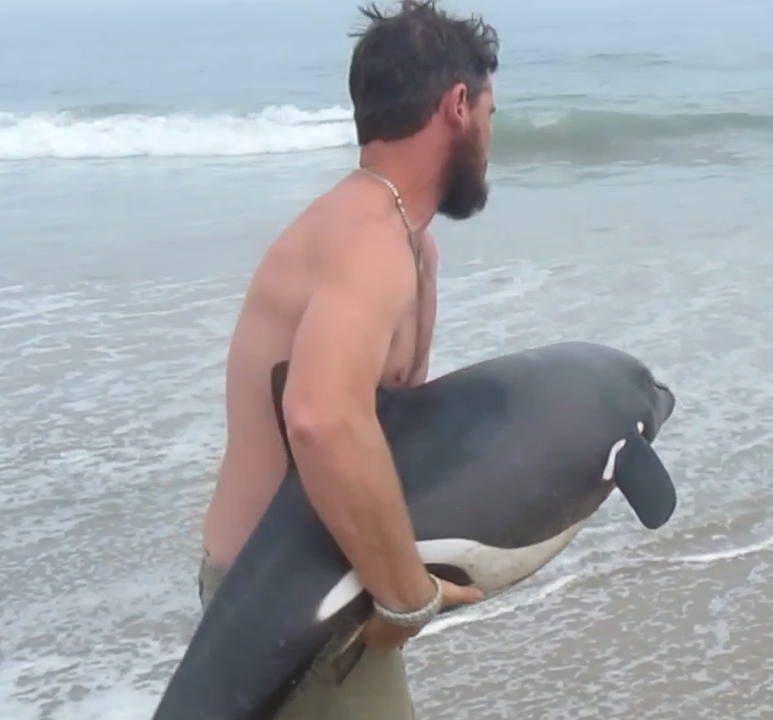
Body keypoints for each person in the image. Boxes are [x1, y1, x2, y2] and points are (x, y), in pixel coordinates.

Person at [195, 1, 500, 716]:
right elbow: (321, 421)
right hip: (280, 600)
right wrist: (405, 600)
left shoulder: (407, 241)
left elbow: (383, 425)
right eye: (491, 114)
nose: (491, 135)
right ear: (458, 106)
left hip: (314, 586)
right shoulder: (367, 239)